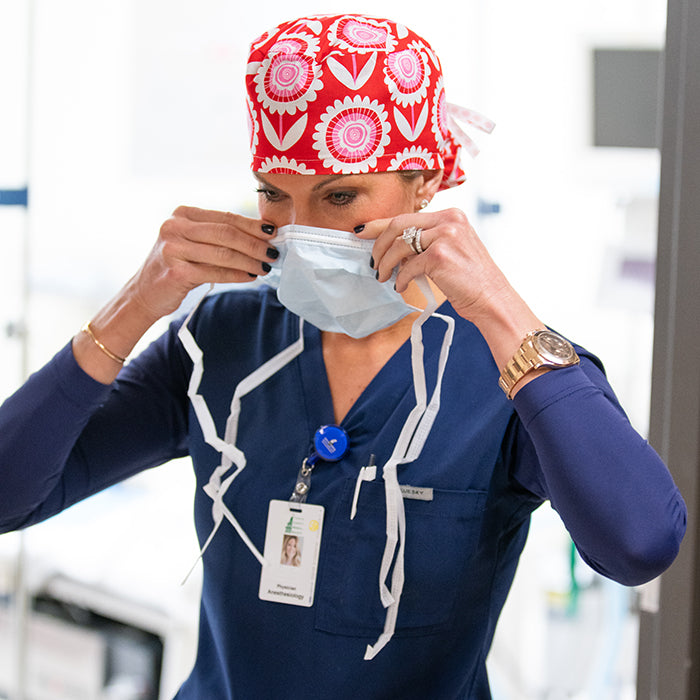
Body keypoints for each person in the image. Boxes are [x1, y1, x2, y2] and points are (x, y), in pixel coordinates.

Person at [0, 12, 686, 699]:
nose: (299, 231)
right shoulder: (222, 336)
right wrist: (138, 302)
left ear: (424, 185)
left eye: (338, 196)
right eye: (275, 193)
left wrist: (498, 306)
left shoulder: (508, 367)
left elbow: (639, 543)